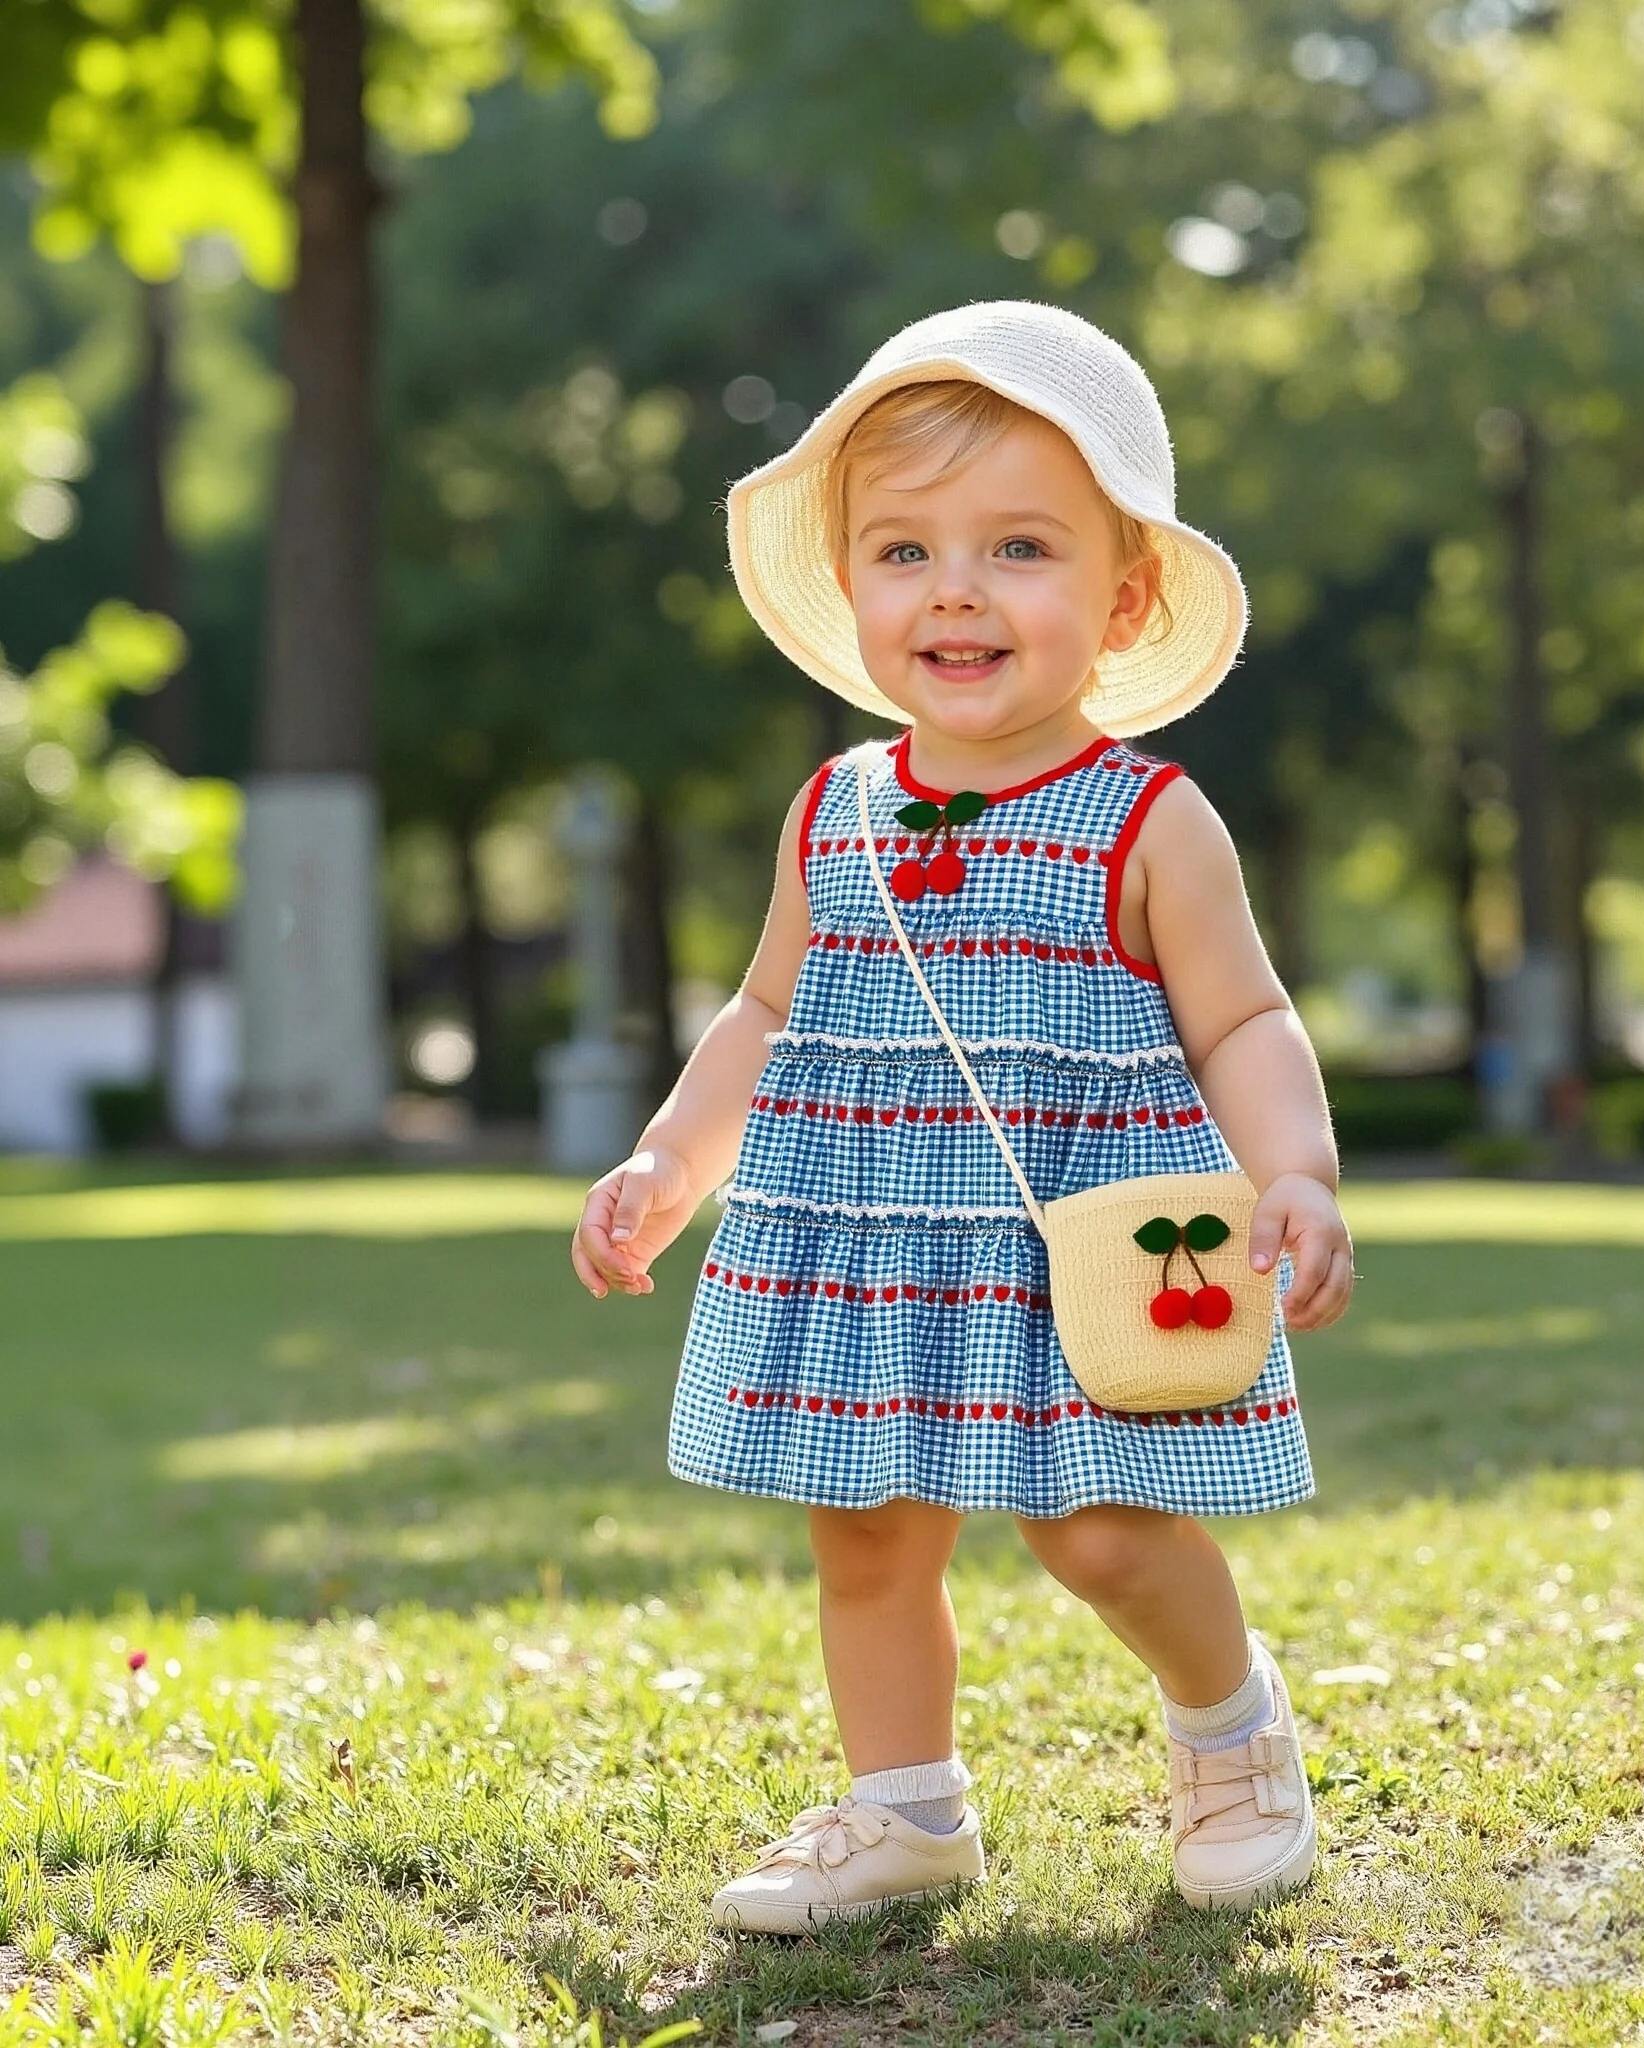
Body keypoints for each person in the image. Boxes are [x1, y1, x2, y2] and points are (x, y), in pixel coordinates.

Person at [571, 301, 1353, 1934]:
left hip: (1082, 1237)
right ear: (854, 587)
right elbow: (764, 1016)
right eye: (906, 551)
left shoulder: (1151, 816)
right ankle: (902, 1810)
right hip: (871, 1237)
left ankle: (1233, 1733)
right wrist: (669, 1161)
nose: (957, 592)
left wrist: (1295, 1170)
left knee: (1102, 1536)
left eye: (1018, 547)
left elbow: (1245, 1015)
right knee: (862, 1529)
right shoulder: (834, 809)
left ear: (1123, 594)